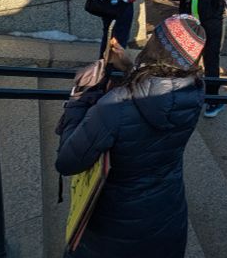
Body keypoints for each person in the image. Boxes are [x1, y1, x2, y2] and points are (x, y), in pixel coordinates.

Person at [55, 15, 206, 258]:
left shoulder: (114, 106)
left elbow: (67, 161)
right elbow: (161, 92)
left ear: (156, 47)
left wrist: (79, 97)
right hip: (168, 216)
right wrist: (129, 67)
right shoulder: (196, 91)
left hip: (114, 229)